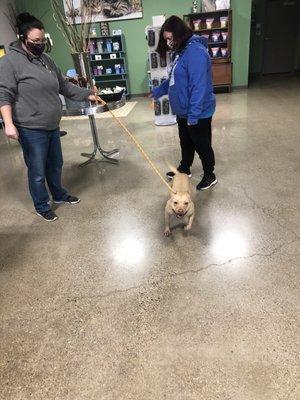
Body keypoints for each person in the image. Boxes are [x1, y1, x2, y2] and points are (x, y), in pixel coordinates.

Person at [0, 13, 102, 221]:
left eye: (42, 41)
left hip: (51, 124)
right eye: (35, 41)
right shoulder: (9, 62)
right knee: (37, 170)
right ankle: (41, 205)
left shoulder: (46, 60)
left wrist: (88, 94)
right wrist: (8, 124)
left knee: (56, 164)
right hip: (30, 127)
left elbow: (64, 86)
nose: (40, 44)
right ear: (22, 38)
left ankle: (58, 194)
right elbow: (4, 95)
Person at [152, 15, 217, 190]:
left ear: (179, 34)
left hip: (197, 111)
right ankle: (185, 168)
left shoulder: (195, 52)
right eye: (166, 39)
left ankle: (210, 174)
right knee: (186, 142)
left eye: (170, 38)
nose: (169, 43)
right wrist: (158, 91)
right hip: (183, 110)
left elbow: (199, 87)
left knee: (201, 144)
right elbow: (175, 79)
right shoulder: (182, 52)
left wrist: (193, 116)